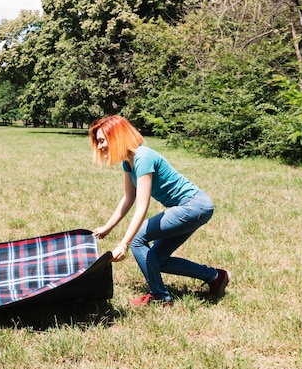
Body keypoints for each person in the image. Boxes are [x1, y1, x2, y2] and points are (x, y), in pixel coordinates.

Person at [89, 115, 230, 306]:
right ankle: (215, 276)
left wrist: (123, 244)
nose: (99, 146)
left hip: (194, 205)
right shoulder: (127, 162)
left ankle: (160, 296)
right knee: (157, 259)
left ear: (117, 136)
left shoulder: (143, 157)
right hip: (190, 207)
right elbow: (128, 198)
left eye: (102, 140)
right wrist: (108, 227)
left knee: (138, 238)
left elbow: (141, 206)